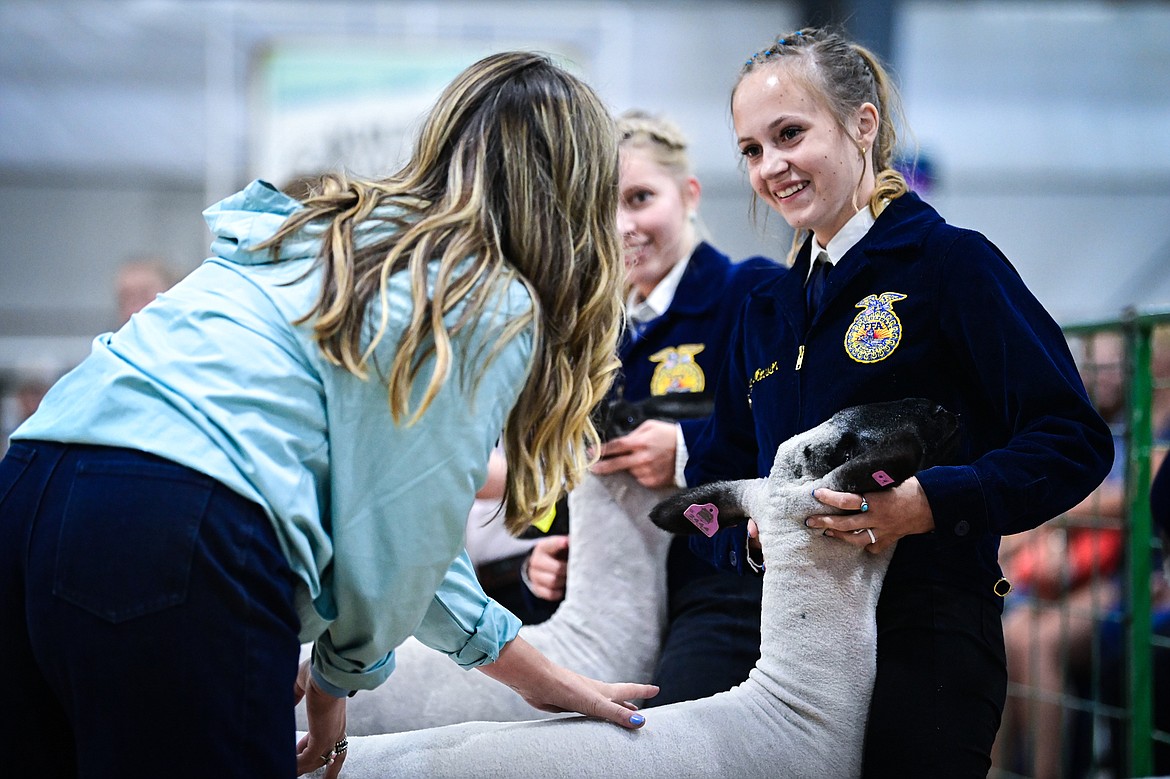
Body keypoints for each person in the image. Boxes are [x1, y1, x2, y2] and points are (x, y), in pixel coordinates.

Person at [0, 51, 658, 779]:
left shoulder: (334, 228)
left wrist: (544, 680)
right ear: (576, 189)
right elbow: (397, 546)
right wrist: (334, 686)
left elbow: (414, 543)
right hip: (181, 513)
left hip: (33, 481)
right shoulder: (483, 295)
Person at [685, 27, 1114, 777]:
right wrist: (749, 537)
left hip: (930, 637)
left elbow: (1074, 438)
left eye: (790, 134)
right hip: (792, 659)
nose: (770, 166)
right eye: (751, 149)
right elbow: (708, 491)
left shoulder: (951, 264)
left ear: (862, 124)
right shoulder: (763, 309)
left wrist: (927, 501)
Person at [521, 109, 784, 702]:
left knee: (663, 742)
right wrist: (547, 555)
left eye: (639, 199)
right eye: (599, 210)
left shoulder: (753, 293)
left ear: (689, 194)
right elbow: (574, 477)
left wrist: (689, 451)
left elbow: (791, 437)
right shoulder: (590, 329)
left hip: (723, 581)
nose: (621, 227)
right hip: (612, 597)